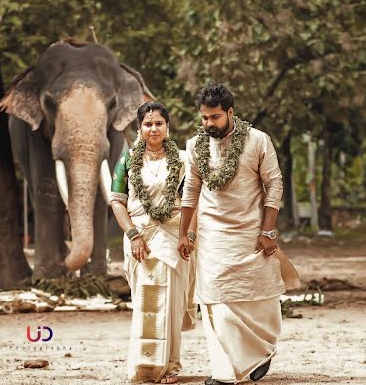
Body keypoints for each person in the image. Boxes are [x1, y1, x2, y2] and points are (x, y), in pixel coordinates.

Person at [178, 83, 300, 385]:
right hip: (212, 235)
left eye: (215, 117)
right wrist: (184, 234)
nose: (208, 124)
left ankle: (260, 351)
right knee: (216, 301)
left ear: (230, 112)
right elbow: (190, 192)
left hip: (251, 231)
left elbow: (274, 184)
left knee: (258, 297)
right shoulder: (195, 145)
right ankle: (225, 371)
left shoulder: (258, 141)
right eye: (204, 118)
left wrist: (268, 229)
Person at [110, 101, 197, 384]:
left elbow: (191, 203)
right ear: (139, 128)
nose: (153, 128)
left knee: (169, 302)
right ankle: (144, 366)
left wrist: (188, 235)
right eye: (147, 124)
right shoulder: (126, 160)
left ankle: (170, 365)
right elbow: (117, 202)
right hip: (140, 238)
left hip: (173, 235)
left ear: (168, 127)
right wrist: (133, 235)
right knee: (145, 301)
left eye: (159, 123)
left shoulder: (183, 160)